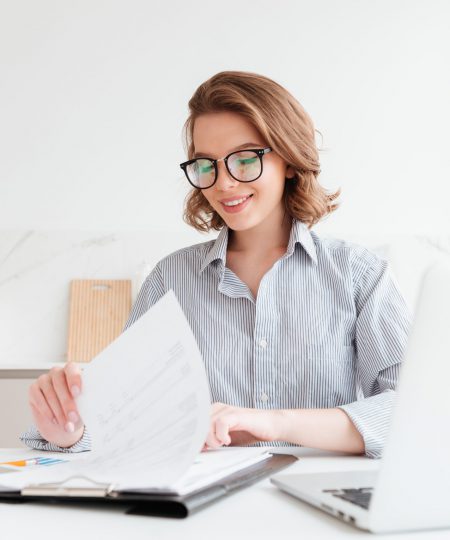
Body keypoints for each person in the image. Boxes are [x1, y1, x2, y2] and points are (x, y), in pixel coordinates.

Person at [22, 71, 410, 458]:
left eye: (244, 159)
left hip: (319, 505)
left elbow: (413, 411)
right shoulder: (170, 280)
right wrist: (70, 430)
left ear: (289, 160)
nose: (223, 183)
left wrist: (277, 423)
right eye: (207, 164)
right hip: (201, 507)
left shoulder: (360, 275)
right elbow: (126, 423)